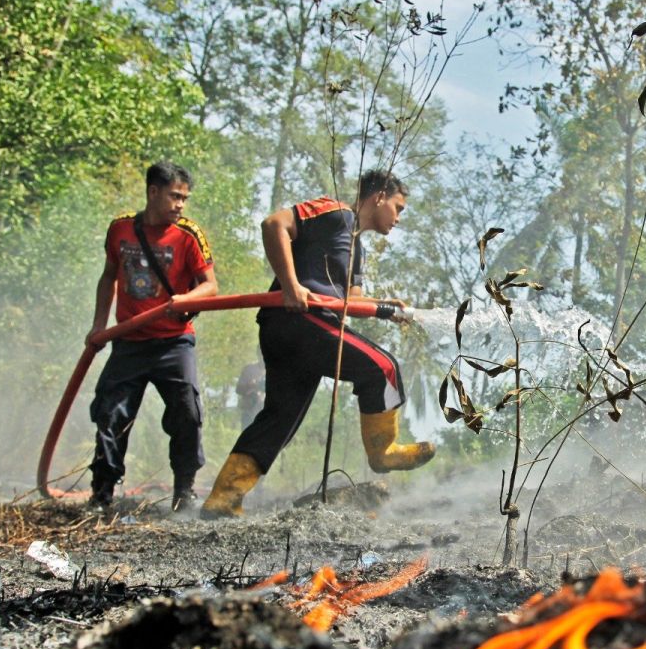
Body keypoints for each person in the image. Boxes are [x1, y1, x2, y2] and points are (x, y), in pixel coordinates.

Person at [201, 169, 433, 519]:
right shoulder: (336, 212)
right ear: (379, 196)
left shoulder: (357, 250)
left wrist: (387, 308)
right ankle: (383, 452)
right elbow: (273, 224)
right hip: (299, 320)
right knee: (382, 368)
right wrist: (291, 285)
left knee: (279, 418)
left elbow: (351, 301)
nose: (398, 219)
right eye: (398, 208)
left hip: (301, 330)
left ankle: (222, 499)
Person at [86, 161, 218, 513]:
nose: (180, 205)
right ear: (153, 192)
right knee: (110, 415)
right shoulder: (120, 230)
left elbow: (211, 287)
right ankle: (101, 494)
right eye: (175, 196)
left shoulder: (190, 235)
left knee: (187, 413)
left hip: (174, 343)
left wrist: (186, 300)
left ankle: (184, 492)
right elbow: (109, 275)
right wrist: (99, 326)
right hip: (129, 342)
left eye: (185, 199)